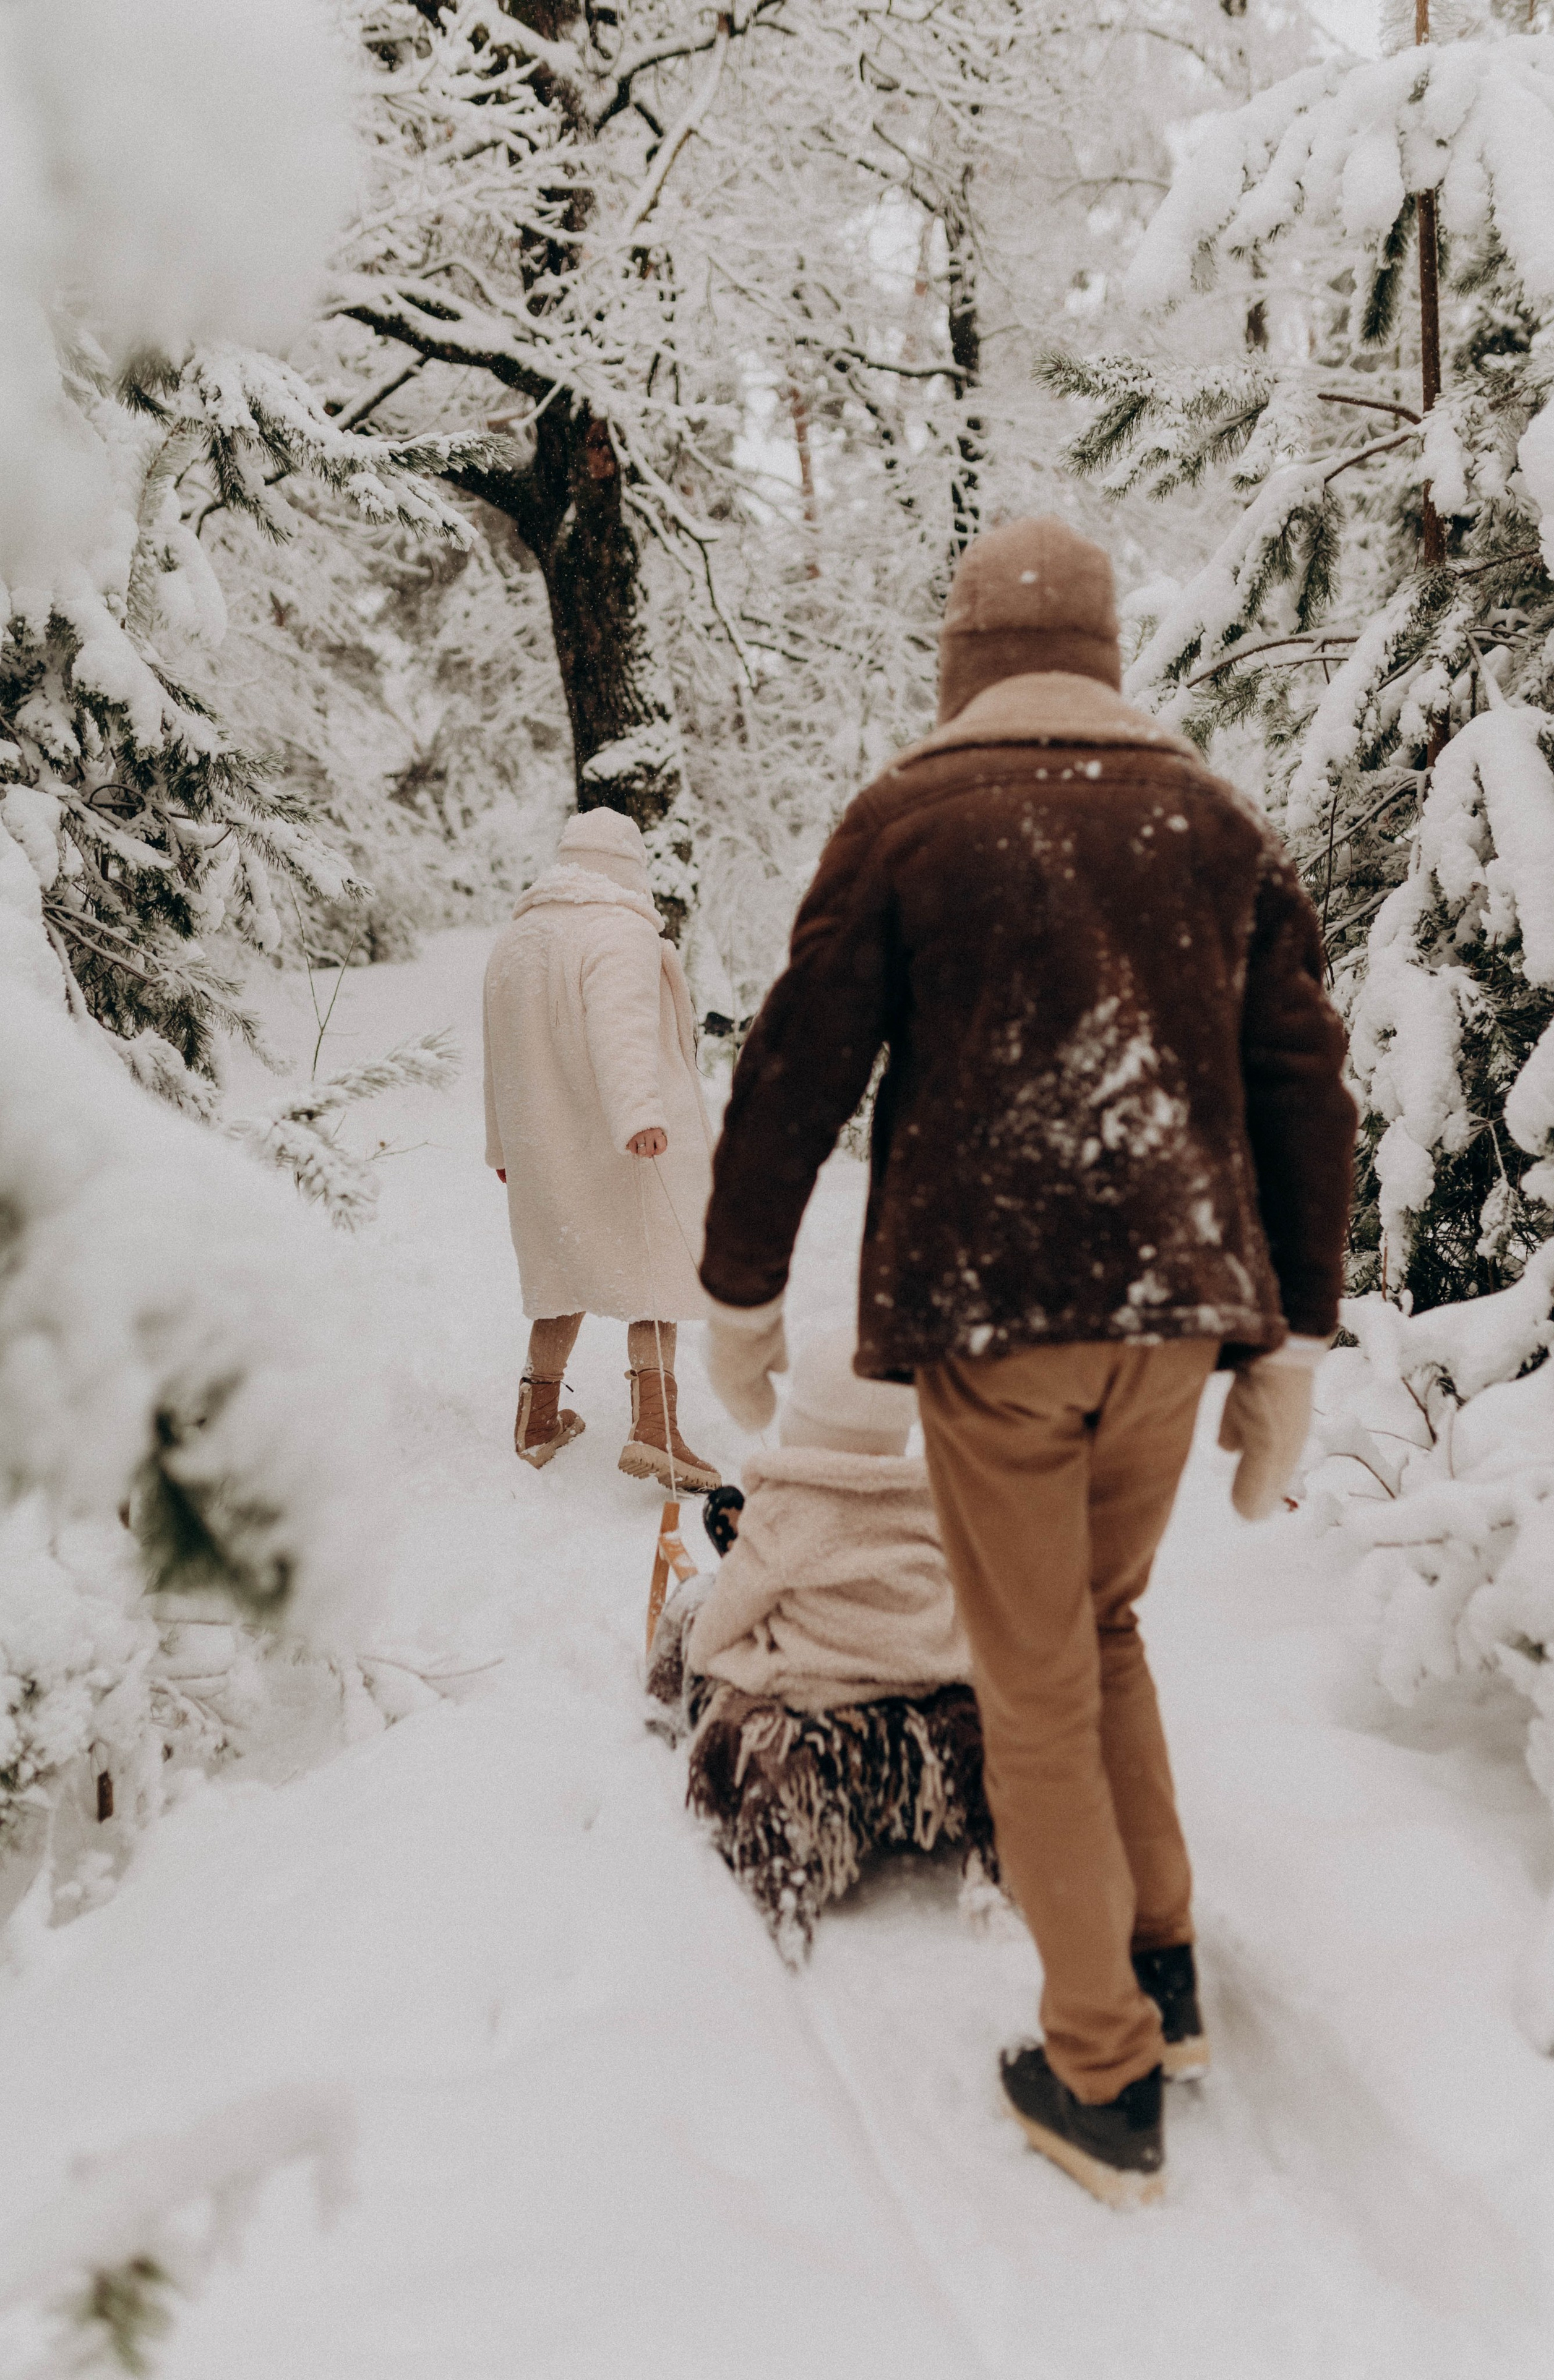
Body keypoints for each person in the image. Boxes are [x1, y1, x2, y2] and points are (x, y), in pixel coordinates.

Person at [697, 516, 1355, 2207]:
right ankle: (1168, 1971)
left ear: (963, 658)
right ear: (1106, 654)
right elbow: (1303, 1081)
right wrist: (1287, 1345)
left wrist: (742, 1293)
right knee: (1107, 1626)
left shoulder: (911, 819)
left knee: (1033, 1686)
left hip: (999, 1319)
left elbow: (796, 1067)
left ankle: (1100, 2072)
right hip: (1173, 1319)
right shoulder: (1210, 820)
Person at [646, 1327, 989, 1954]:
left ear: (801, 1421)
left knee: (699, 1600)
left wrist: (707, 1668)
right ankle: (747, 1553)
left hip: (813, 1687)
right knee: (775, 1573)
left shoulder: (785, 1505)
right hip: (915, 1674)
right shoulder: (935, 1500)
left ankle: (665, 1695)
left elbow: (726, 1619)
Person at [483, 806, 720, 1493]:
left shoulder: (518, 938)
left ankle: (537, 1419)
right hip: (622, 1137)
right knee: (655, 1266)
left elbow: (498, 1056)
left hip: (545, 1138)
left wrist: (501, 1142)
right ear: (627, 868)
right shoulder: (618, 930)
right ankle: (656, 1429)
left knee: (564, 1263)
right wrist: (641, 1115)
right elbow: (624, 1031)